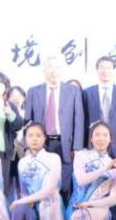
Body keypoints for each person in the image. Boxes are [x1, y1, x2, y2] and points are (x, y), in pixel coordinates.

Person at [25, 55, 84, 200]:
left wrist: (77, 147)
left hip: (65, 144)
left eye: (57, 67)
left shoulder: (73, 91)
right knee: (41, 181)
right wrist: (27, 146)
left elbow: (79, 119)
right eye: (50, 67)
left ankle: (63, 212)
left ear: (62, 70)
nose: (54, 71)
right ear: (44, 70)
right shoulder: (33, 91)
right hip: (41, 142)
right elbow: (27, 122)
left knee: (64, 185)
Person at [65, 122, 116, 220]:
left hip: (99, 210)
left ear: (110, 139)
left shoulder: (115, 164)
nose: (101, 138)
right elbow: (81, 180)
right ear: (91, 138)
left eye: (105, 135)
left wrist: (91, 204)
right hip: (77, 207)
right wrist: (105, 168)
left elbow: (114, 198)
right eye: (97, 135)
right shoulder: (81, 156)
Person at [9, 122, 64, 220]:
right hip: (31, 203)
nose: (34, 139)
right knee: (20, 209)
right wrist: (24, 201)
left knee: (40, 206)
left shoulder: (53, 158)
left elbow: (49, 190)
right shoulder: (22, 162)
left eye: (38, 135)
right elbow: (24, 191)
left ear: (44, 138)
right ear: (25, 139)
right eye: (30, 135)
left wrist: (22, 200)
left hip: (49, 201)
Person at [83, 57, 116, 157]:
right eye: (102, 67)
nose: (105, 71)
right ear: (97, 70)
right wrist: (83, 146)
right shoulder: (87, 92)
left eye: (108, 68)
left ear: (114, 70)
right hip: (94, 145)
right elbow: (84, 122)